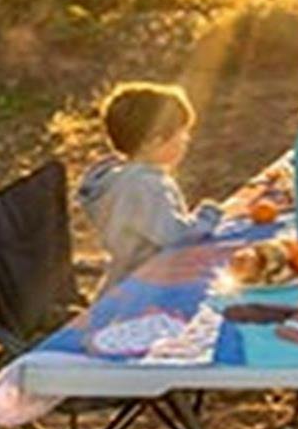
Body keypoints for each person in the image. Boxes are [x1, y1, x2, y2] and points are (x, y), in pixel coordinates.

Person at [76, 83, 223, 296]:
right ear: (154, 142)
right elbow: (176, 237)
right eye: (182, 134)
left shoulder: (121, 178)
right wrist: (208, 216)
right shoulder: (144, 186)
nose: (187, 140)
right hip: (146, 286)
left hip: (126, 277)